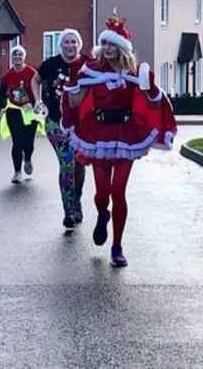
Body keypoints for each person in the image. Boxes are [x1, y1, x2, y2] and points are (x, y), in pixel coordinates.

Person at [66, 13, 176, 267]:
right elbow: (75, 102)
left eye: (113, 44)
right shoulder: (91, 69)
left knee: (119, 192)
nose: (108, 49)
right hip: (98, 133)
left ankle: (117, 246)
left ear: (122, 48)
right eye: (104, 44)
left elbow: (151, 101)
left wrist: (150, 86)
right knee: (102, 194)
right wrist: (74, 82)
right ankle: (102, 214)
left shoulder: (134, 72)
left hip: (126, 133)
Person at [32, 29, 89, 231]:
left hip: (81, 124)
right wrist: (38, 100)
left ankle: (77, 201)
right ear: (61, 45)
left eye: (74, 41)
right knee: (67, 163)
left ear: (79, 44)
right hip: (55, 122)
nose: (70, 45)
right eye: (66, 42)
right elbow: (35, 80)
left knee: (79, 164)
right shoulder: (51, 64)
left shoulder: (87, 64)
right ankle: (69, 211)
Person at [0, 45, 45, 184]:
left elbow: (39, 87)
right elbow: (1, 94)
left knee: (28, 143)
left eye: (20, 55)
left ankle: (28, 158)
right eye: (15, 55)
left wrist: (37, 102)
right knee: (17, 142)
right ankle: (17, 172)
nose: (17, 57)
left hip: (30, 111)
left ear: (24, 57)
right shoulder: (7, 75)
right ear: (11, 58)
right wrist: (1, 108)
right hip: (14, 111)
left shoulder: (31, 72)